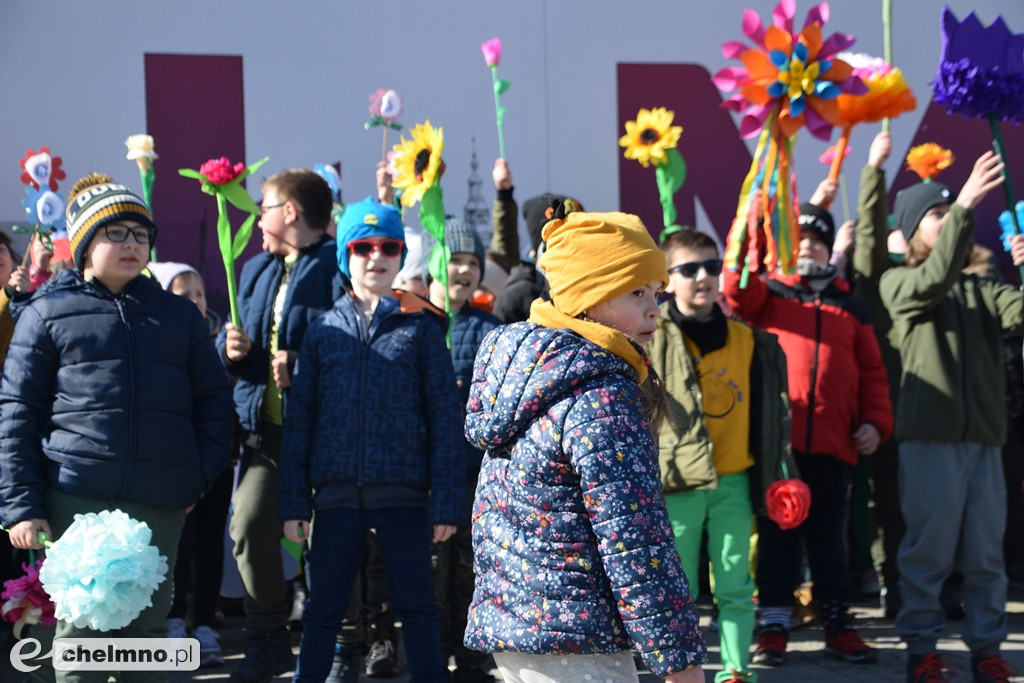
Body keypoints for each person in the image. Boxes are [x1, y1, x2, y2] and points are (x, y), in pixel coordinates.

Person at [0, 173, 233, 683]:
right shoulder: (46, 313)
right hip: (75, 500)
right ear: (85, 243)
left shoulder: (179, 317)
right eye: (116, 233)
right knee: (79, 641)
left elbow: (217, 404)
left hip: (159, 504)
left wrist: (195, 478)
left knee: (146, 639)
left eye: (140, 234)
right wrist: (22, 505)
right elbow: (17, 412)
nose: (131, 243)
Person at [464, 207, 706, 683]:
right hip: (579, 642)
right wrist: (681, 663)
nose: (655, 308)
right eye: (637, 292)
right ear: (587, 296)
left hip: (514, 633)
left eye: (656, 292)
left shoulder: (523, 369)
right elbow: (636, 543)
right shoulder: (601, 397)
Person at [279, 197, 464, 683]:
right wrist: (294, 501)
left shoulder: (422, 329)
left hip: (404, 496)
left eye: (388, 246)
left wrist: (445, 502)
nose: (376, 256)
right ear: (346, 255)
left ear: (401, 255)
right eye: (363, 247)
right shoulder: (321, 332)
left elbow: (445, 417)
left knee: (420, 609)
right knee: (322, 611)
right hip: (336, 496)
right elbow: (300, 422)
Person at [723, 197, 893, 667]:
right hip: (780, 446)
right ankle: (774, 624)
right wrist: (756, 227)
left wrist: (876, 424)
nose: (810, 250)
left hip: (837, 445)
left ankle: (838, 622)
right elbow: (736, 289)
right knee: (778, 535)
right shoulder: (769, 294)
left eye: (818, 242)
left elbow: (873, 372)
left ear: (830, 248)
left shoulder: (852, 308)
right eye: (801, 241)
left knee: (828, 538)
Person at [880, 151, 1024, 683]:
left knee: (987, 558)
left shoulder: (984, 289)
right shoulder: (898, 284)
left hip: (985, 442)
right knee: (929, 554)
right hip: (930, 441)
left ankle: (986, 647)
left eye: (952, 213)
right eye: (937, 215)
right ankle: (923, 650)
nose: (951, 219)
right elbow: (932, 281)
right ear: (914, 231)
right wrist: (964, 201)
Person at [648, 228, 793, 683]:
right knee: (679, 591)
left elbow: (774, 416)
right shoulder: (651, 337)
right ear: (667, 279)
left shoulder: (751, 340)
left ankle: (735, 672)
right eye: (688, 269)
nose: (703, 277)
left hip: (734, 480)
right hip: (677, 485)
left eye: (712, 266)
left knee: (735, 587)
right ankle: (684, 674)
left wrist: (781, 472)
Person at [219, 168, 343, 683]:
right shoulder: (254, 271)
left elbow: (355, 344)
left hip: (324, 435)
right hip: (266, 436)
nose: (258, 219)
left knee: (329, 541)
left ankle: (337, 643)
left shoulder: (338, 265)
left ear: (289, 212)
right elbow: (242, 352)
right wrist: (230, 351)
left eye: (263, 208)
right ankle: (268, 638)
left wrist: (304, 362)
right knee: (247, 525)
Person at [424, 218, 501, 683]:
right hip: (429, 471)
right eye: (456, 259)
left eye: (474, 262)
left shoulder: (490, 327)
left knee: (473, 564)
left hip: (475, 467)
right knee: (433, 564)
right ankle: (431, 650)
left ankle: (471, 656)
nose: (466, 270)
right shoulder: (414, 322)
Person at [147, 261, 235, 669]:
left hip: (213, 462)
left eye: (200, 293)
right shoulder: (160, 344)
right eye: (184, 295)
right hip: (174, 464)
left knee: (210, 542)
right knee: (177, 544)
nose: (196, 301)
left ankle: (205, 623)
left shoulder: (219, 344)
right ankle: (174, 618)